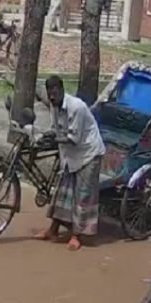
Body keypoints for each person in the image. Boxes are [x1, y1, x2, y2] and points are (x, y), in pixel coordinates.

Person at [35, 75, 106, 250]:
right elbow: (55, 129)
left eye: (55, 94)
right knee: (62, 193)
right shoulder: (55, 106)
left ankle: (76, 235)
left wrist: (54, 140)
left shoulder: (77, 107)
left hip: (88, 153)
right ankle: (53, 229)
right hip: (71, 155)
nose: (52, 98)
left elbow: (74, 139)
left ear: (62, 90)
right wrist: (44, 137)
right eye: (50, 95)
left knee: (82, 196)